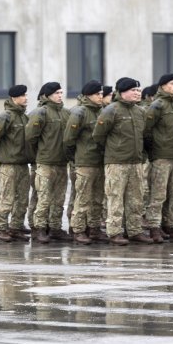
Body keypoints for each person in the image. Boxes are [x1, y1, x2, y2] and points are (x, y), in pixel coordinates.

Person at [92, 78, 148, 245]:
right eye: (133, 90)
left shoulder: (140, 112)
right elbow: (98, 135)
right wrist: (113, 150)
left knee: (136, 199)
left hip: (136, 162)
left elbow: (144, 136)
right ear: (122, 92)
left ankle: (135, 230)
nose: (137, 93)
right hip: (117, 162)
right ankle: (115, 232)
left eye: (139, 90)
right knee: (115, 198)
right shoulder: (111, 110)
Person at [144, 74, 173, 242]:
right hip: (161, 157)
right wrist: (153, 150)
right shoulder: (157, 106)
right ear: (163, 86)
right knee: (158, 194)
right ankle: (154, 226)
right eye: (172, 83)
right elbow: (147, 130)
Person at [25, 82, 70, 243]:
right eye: (57, 92)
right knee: (43, 198)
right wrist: (38, 157)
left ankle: (55, 227)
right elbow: (30, 138)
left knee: (59, 198)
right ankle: (38, 229)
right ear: (48, 95)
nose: (60, 95)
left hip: (61, 162)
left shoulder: (65, 113)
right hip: (45, 162)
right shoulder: (40, 113)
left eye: (61, 92)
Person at [0, 84, 32, 242]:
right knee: (6, 197)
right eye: (23, 95)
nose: (26, 98)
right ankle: (1, 228)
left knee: (22, 199)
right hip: (9, 165)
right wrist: (3, 156)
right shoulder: (5, 117)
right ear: (15, 97)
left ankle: (16, 227)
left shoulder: (24, 117)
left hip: (22, 164)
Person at [63, 80, 106, 244]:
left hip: (99, 161)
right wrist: (76, 157)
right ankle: (78, 229)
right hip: (85, 162)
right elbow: (69, 139)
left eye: (101, 94)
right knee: (83, 198)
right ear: (89, 95)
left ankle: (94, 228)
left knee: (97, 198)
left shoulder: (101, 111)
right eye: (97, 94)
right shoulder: (80, 113)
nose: (100, 97)